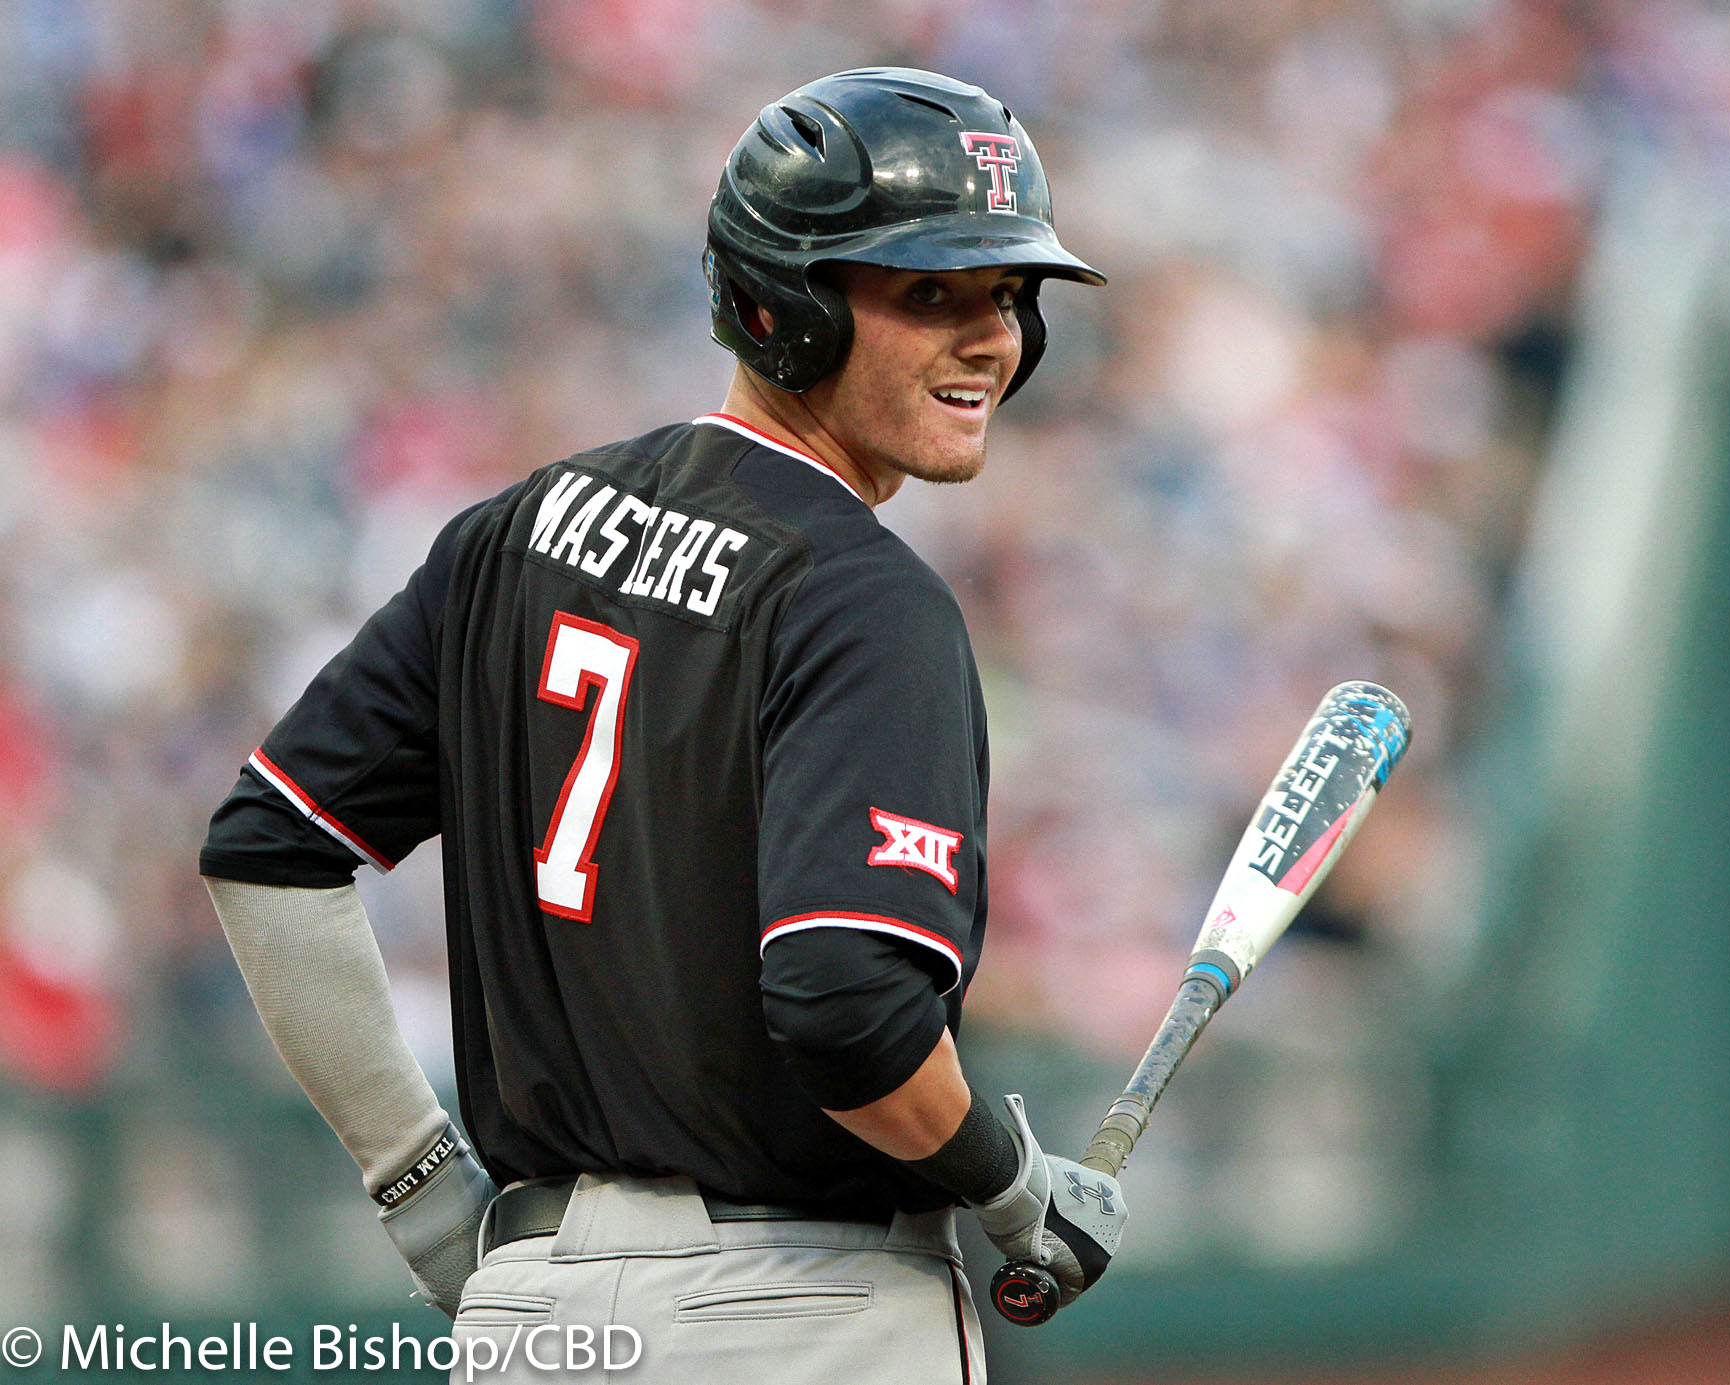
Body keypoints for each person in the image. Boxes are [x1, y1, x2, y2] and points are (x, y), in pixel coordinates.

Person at [198, 67, 1125, 1383]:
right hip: (799, 1316)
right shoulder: (861, 597)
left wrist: (422, 1187)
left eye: (1009, 296)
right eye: (932, 295)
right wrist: (1012, 1181)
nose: (993, 341)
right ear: (782, 306)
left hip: (534, 1318)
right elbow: (847, 1007)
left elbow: (267, 846)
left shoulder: (516, 530)